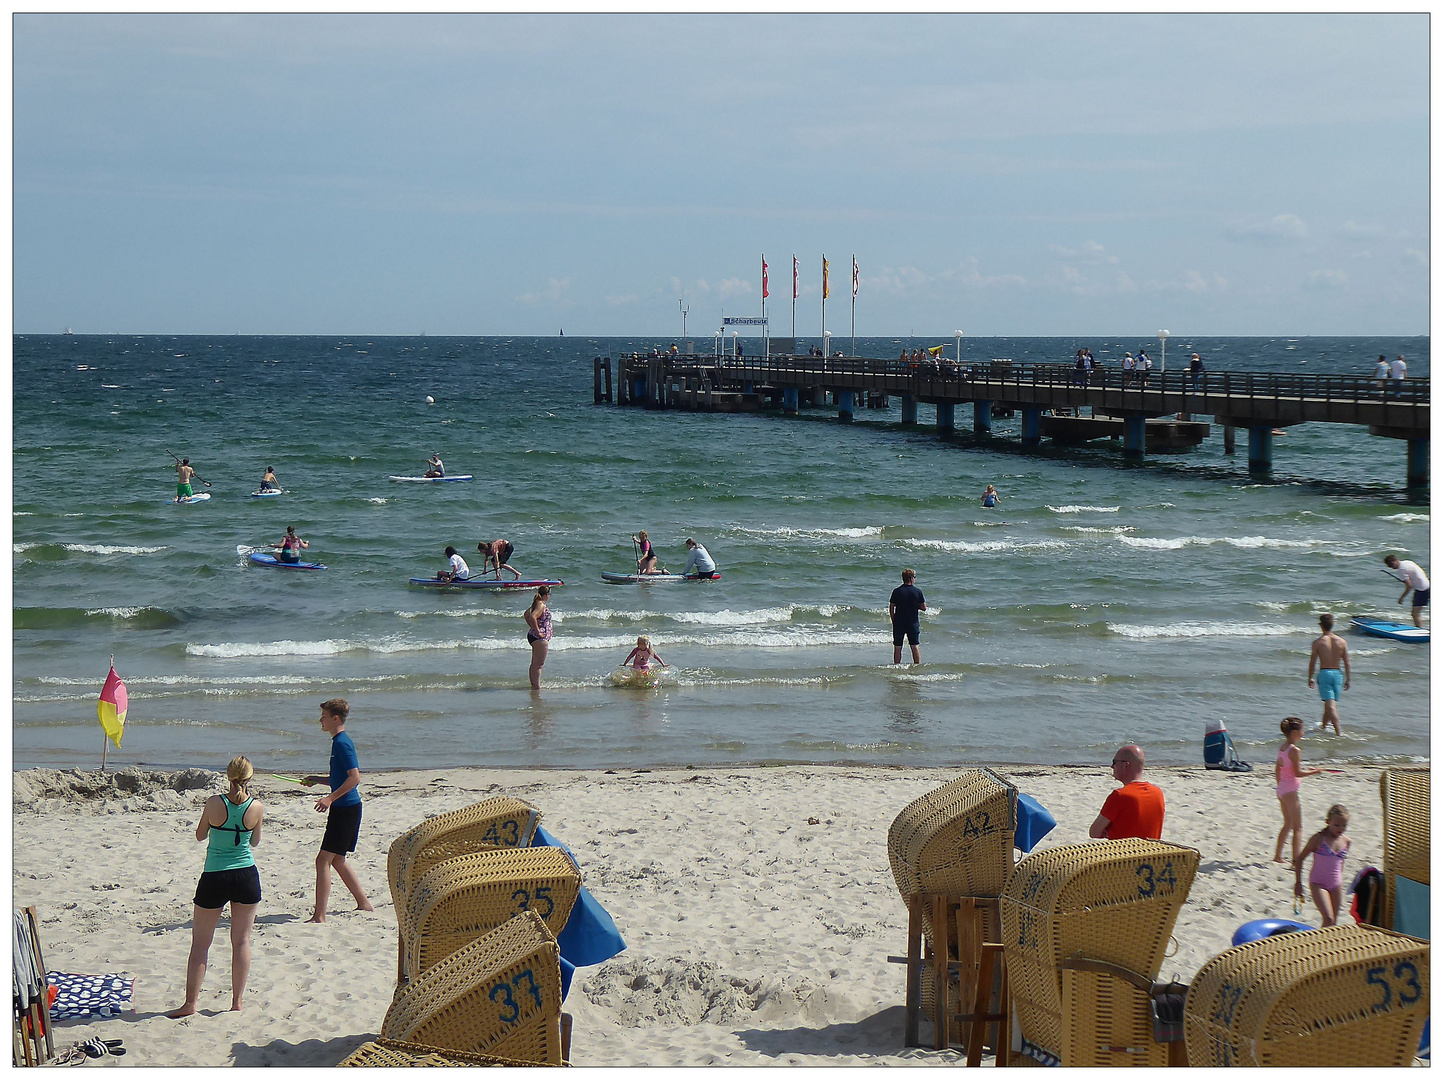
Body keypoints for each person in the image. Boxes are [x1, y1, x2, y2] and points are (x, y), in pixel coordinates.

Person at [166, 756, 264, 1017]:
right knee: (241, 941)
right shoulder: (256, 806)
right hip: (245, 875)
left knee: (200, 944)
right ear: (249, 779)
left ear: (228, 777)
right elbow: (254, 842)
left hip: (216, 875)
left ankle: (190, 1004)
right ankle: (237, 1001)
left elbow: (200, 835)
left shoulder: (214, 802)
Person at [301, 699, 374, 922]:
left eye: (323, 716)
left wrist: (330, 799)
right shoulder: (337, 742)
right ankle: (364, 903)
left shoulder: (342, 743)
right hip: (346, 808)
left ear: (335, 719)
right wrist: (316, 780)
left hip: (346, 809)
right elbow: (339, 778)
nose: (320, 720)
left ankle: (319, 916)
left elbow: (355, 777)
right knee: (337, 860)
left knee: (322, 860)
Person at [1089, 745, 1165, 840]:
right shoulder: (1157, 793)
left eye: (1115, 762)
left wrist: (1109, 830)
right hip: (1150, 852)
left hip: (1125, 853)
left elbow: (1094, 832)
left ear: (1126, 765)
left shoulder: (1120, 796)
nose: (1112, 766)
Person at [1272, 717, 1321, 863]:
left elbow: (1277, 769)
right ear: (1294, 732)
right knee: (1298, 827)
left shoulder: (1282, 748)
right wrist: (1315, 771)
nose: (1303, 733)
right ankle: (1296, 860)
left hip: (1281, 790)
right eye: (1301, 731)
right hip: (1290, 792)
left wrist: (1281, 785)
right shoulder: (1294, 750)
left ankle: (1278, 856)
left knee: (1287, 824)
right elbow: (1298, 773)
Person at [1294, 805, 1351, 927]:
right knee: (1328, 919)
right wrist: (1298, 883)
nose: (1340, 828)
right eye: (1337, 825)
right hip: (1318, 883)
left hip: (1336, 884)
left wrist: (1339, 880)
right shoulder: (1319, 839)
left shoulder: (1346, 842)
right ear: (1328, 822)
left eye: (1344, 825)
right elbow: (1300, 859)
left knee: (1333, 923)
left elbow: (1341, 864)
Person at [1307, 612, 1351, 734]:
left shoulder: (1318, 642)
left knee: (1331, 706)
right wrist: (1348, 678)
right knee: (1329, 704)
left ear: (1321, 625)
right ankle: (1323, 728)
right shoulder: (1342, 642)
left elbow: (1313, 662)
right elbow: (1347, 662)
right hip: (1338, 674)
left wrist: (1310, 677)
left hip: (1325, 673)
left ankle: (1339, 733)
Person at [888, 568, 927, 665]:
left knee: (897, 647)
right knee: (914, 646)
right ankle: (917, 666)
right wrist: (915, 606)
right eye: (914, 577)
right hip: (912, 622)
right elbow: (924, 607)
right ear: (911, 578)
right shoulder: (917, 591)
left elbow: (891, 607)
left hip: (899, 622)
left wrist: (893, 619)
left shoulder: (896, 591)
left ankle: (896, 666)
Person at [1384, 553, 1430, 628]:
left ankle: (1419, 630)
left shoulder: (1401, 570)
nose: (1391, 568)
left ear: (1395, 561)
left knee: (1415, 613)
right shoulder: (1407, 562)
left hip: (1422, 590)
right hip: (1428, 585)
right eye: (1389, 566)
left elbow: (1409, 586)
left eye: (1391, 565)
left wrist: (1402, 598)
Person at [524, 586, 552, 691]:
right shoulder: (541, 605)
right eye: (549, 594)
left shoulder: (536, 603)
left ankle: (534, 686)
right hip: (539, 638)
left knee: (535, 664)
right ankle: (537, 687)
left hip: (534, 636)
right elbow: (532, 617)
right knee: (538, 664)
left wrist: (533, 628)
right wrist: (538, 631)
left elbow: (526, 615)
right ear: (546, 595)